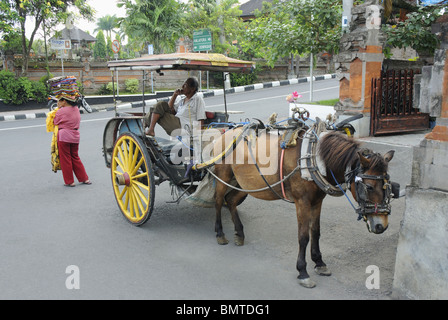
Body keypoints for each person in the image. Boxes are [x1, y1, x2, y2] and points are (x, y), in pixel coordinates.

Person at [53, 92, 91, 187]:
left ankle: (70, 181)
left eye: (59, 101)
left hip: (64, 136)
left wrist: (58, 108)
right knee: (75, 157)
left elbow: (55, 122)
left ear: (64, 101)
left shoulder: (61, 111)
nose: (58, 103)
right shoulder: (76, 109)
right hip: (75, 136)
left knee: (65, 159)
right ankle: (84, 178)